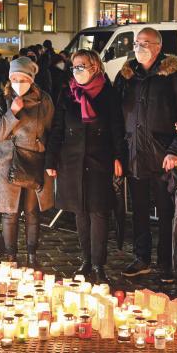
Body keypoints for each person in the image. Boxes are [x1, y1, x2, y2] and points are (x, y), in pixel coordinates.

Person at [113, 27, 177, 283]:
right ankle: (142, 257)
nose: (139, 46)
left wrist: (175, 151)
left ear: (158, 47)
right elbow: (116, 117)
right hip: (135, 154)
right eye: (136, 42)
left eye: (145, 42)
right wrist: (118, 152)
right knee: (138, 210)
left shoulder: (174, 78)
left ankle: (166, 263)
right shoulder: (127, 76)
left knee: (166, 212)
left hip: (163, 156)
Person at [45, 49, 126, 282]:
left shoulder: (109, 94)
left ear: (95, 67)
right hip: (72, 160)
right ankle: (86, 260)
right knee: (80, 213)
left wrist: (119, 156)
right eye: (74, 66)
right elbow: (58, 128)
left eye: (82, 65)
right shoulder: (68, 93)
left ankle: (99, 264)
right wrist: (51, 159)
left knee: (98, 212)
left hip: (99, 158)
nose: (77, 70)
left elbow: (117, 129)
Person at [0, 57, 55, 267]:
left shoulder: (44, 100)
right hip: (8, 163)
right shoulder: (1, 101)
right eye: (15, 78)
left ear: (31, 79)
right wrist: (12, 112)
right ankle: (11, 257)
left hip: (34, 161)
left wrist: (47, 154)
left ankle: (32, 256)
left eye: (23, 78)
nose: (18, 82)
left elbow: (51, 130)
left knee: (32, 212)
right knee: (10, 213)